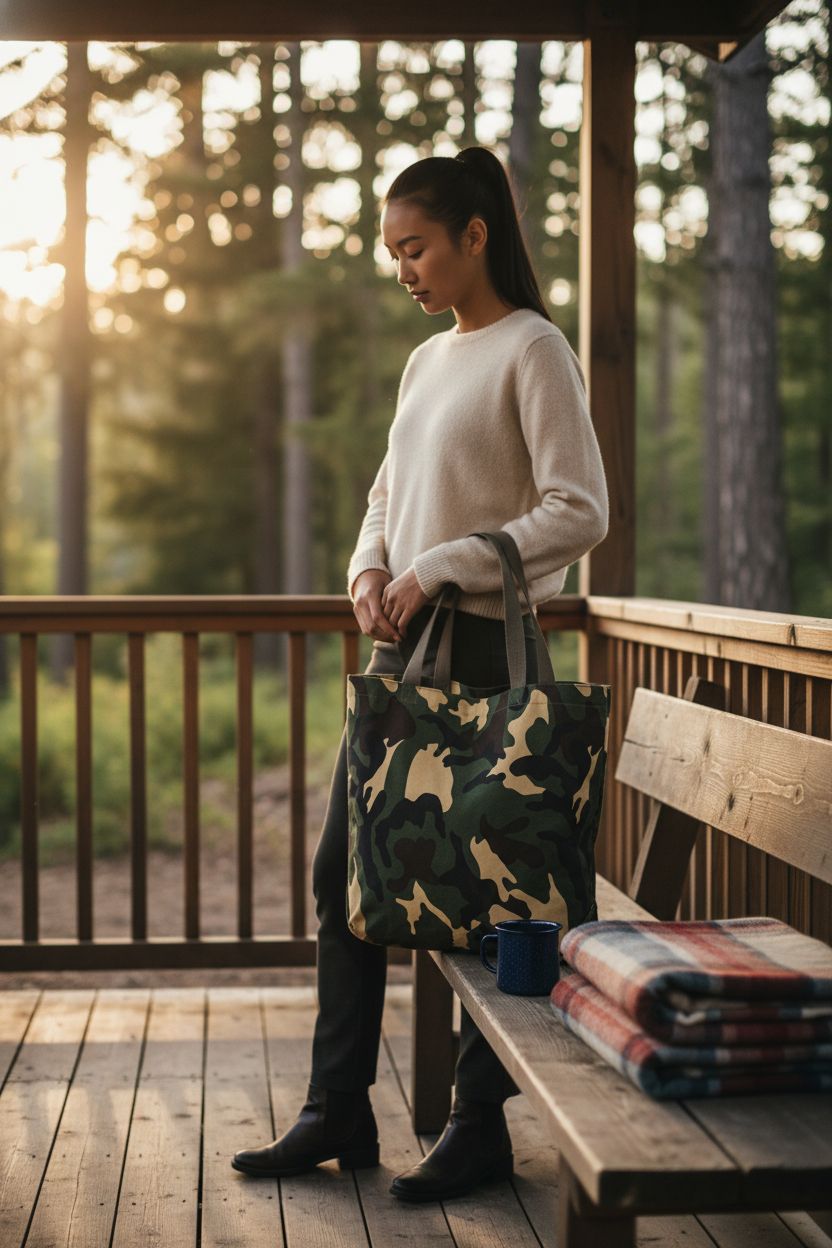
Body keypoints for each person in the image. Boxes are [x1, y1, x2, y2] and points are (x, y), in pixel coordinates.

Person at [231, 146, 609, 1202]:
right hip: (399, 654)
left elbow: (580, 509)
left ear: (474, 236)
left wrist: (441, 565)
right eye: (393, 252)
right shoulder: (426, 360)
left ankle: (478, 1126)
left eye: (417, 248)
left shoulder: (534, 348)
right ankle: (337, 1108)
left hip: (488, 654)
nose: (404, 270)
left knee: (491, 893)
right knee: (341, 878)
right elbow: (384, 495)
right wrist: (368, 567)